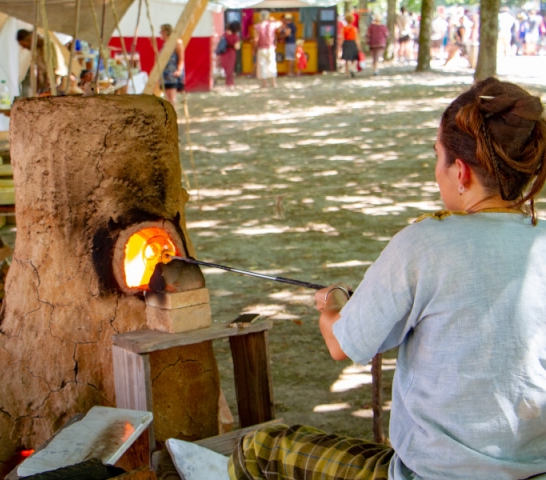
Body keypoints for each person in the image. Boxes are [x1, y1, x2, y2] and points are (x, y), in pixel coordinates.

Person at [230, 77, 546, 480]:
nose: (437, 172)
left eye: (438, 157)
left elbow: (342, 343)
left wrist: (333, 307)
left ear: (461, 172)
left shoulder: (425, 244)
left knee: (258, 450)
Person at [17, 29, 67, 95]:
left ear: (30, 39)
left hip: (57, 82)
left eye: (24, 45)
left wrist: (49, 86)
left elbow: (52, 68)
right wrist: (38, 89)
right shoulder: (36, 49)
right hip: (47, 84)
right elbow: (39, 70)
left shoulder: (48, 45)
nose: (24, 48)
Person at [254, 10, 283, 88]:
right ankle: (274, 83)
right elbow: (280, 23)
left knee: (262, 65)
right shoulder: (272, 25)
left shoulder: (257, 26)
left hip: (261, 48)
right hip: (270, 47)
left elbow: (256, 39)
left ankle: (264, 83)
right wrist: (273, 19)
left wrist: (254, 48)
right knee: (272, 64)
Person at [159, 24, 185, 105]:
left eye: (161, 32)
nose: (160, 34)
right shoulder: (165, 44)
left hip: (173, 73)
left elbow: (181, 58)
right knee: (167, 97)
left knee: (172, 97)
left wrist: (179, 70)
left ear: (165, 32)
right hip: (165, 74)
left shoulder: (177, 43)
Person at [220, 22, 241, 90]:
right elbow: (237, 47)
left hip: (223, 53)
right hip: (231, 53)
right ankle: (230, 84)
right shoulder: (236, 37)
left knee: (227, 69)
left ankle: (227, 84)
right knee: (230, 69)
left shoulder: (224, 34)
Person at [341, 13, 360, 78]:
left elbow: (342, 38)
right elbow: (356, 39)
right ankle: (352, 68)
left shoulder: (344, 28)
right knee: (354, 57)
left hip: (346, 43)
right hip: (352, 43)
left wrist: (340, 45)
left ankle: (347, 72)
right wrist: (358, 46)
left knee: (346, 58)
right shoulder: (354, 29)